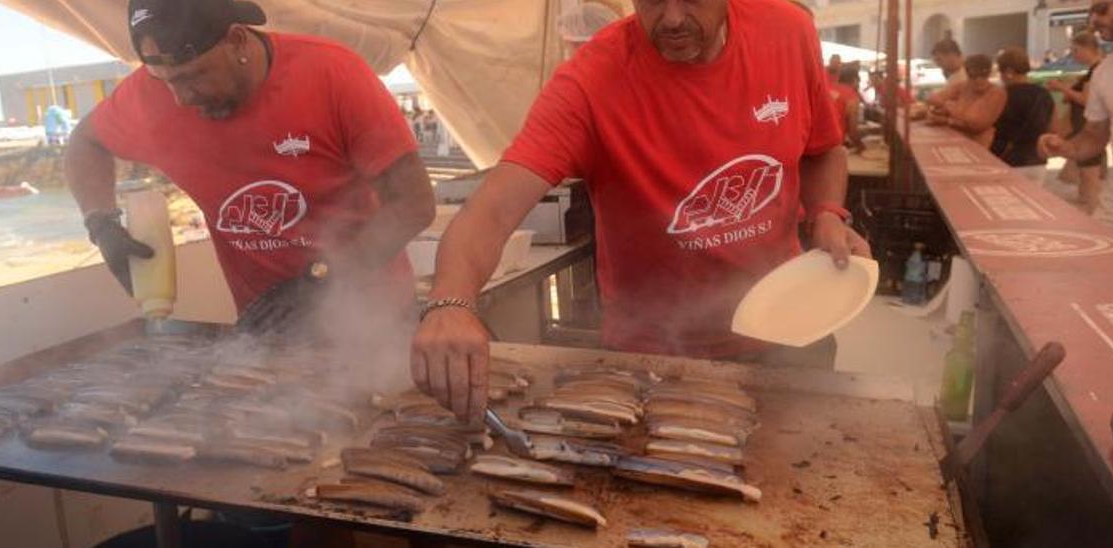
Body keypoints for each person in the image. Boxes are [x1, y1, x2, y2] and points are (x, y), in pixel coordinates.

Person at [410, 0, 870, 422]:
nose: (670, 18)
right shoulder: (591, 80)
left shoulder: (787, 32)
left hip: (788, 332)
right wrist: (450, 300)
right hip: (654, 359)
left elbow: (823, 150)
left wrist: (827, 212)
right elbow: (492, 211)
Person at [65, 0, 435, 337]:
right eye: (166, 82)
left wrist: (322, 278)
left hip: (370, 314)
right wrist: (100, 222)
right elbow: (85, 143)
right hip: (267, 327)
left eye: (193, 76)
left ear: (238, 41)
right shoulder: (148, 99)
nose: (181, 99)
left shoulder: (333, 73)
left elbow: (413, 205)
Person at [1041, 0, 1113, 238]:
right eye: (1091, 12)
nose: (1093, 20)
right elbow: (1094, 136)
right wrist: (1065, 147)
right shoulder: (1103, 73)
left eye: (1102, 9)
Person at [1046, 30, 1106, 213]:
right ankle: (1089, 206)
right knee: (1085, 173)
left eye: (1076, 50)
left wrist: (1062, 88)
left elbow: (1086, 100)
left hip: (1088, 128)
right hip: (1085, 127)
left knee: (1090, 174)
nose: (1074, 55)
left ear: (1089, 49)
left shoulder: (1097, 70)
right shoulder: (1094, 71)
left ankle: (1092, 210)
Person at [990, 46, 1054, 178]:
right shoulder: (1044, 95)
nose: (1000, 76)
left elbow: (987, 126)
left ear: (1009, 72)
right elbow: (1054, 128)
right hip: (1037, 161)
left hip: (1006, 159)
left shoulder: (1000, 96)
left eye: (1001, 72)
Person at [927, 54, 1006, 149]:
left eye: (983, 75)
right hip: (955, 140)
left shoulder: (996, 92)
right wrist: (955, 113)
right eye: (973, 75)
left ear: (989, 73)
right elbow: (933, 99)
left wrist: (949, 111)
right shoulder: (964, 86)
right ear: (967, 74)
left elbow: (975, 123)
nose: (978, 79)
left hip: (979, 146)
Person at [832, 64, 863, 150]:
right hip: (833, 146)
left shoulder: (828, 87)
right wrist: (862, 147)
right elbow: (852, 132)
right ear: (855, 80)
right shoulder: (852, 96)